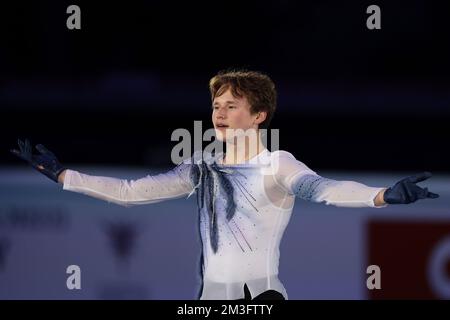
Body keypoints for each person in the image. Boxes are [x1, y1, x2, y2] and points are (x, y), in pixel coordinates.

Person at [10, 69, 439, 300]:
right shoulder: (200, 164)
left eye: (232, 106)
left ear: (258, 117)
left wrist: (381, 195)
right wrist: (65, 176)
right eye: (216, 105)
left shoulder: (277, 163)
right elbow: (130, 193)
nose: (219, 113)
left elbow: (323, 189)